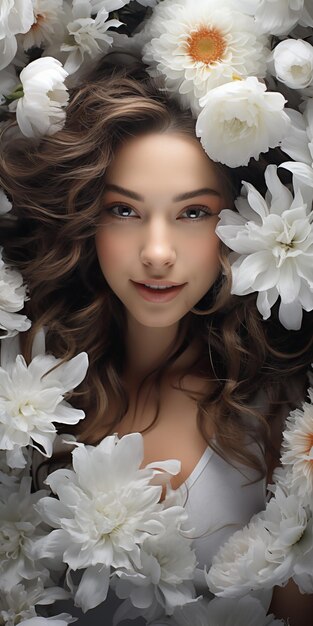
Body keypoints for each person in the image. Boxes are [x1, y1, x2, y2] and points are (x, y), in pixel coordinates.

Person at [0, 60, 312, 625]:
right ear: (87, 217)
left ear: (240, 222)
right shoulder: (24, 364)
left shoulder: (284, 414)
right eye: (124, 210)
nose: (158, 252)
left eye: (194, 213)